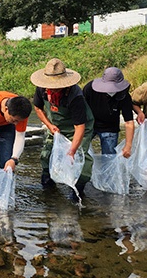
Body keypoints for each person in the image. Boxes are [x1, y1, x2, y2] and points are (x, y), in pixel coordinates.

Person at [30, 58, 94, 198]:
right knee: (46, 155)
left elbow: (80, 127)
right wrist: (49, 125)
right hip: (56, 127)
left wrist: (71, 151)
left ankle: (77, 192)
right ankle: (48, 189)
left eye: (56, 87)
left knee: (79, 159)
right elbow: (38, 108)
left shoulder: (75, 96)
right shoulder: (41, 89)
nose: (52, 89)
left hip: (77, 128)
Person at [83, 67, 134, 157]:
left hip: (110, 127)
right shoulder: (90, 89)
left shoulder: (124, 95)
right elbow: (80, 108)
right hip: (89, 124)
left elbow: (129, 121)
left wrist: (128, 145)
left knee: (109, 157)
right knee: (82, 151)